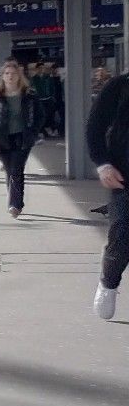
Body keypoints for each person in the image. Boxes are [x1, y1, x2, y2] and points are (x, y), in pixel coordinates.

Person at [89, 69, 128, 320]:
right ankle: (109, 281)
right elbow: (94, 127)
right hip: (124, 177)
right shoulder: (119, 87)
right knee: (123, 235)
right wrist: (102, 163)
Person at [0, 60, 43, 218]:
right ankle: (17, 201)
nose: (10, 76)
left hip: (23, 138)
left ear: (19, 76)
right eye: (7, 73)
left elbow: (40, 115)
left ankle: (14, 205)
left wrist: (34, 131)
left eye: (13, 74)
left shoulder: (29, 94)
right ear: (2, 76)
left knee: (16, 169)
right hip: (3, 139)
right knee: (10, 170)